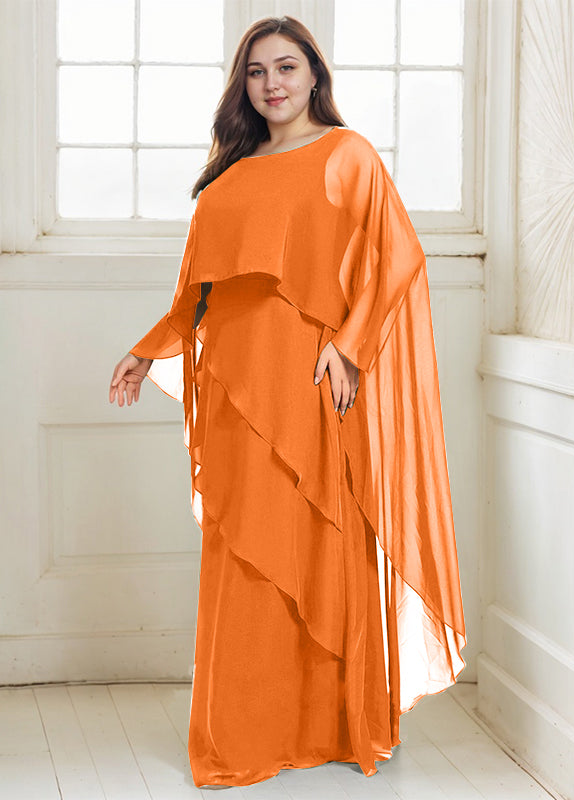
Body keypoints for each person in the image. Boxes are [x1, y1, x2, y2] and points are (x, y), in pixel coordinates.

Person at [109, 15, 467, 789]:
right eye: (256, 71)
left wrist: (350, 345)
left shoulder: (348, 154)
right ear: (243, 86)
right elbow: (197, 295)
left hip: (308, 382)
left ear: (313, 76)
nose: (271, 83)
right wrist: (146, 349)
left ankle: (327, 723)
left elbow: (394, 256)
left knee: (317, 540)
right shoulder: (228, 177)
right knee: (243, 551)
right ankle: (243, 731)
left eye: (286, 67)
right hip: (235, 388)